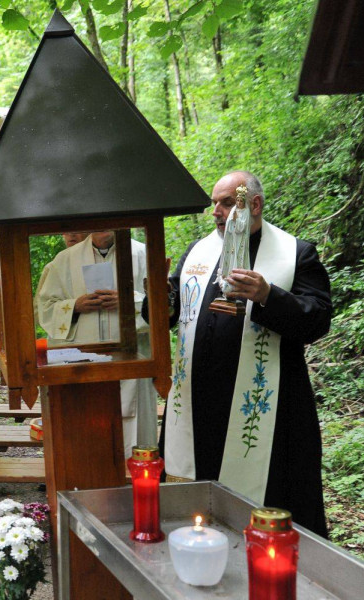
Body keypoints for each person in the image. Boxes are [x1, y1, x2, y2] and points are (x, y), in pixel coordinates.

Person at [157, 170, 332, 536]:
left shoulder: (296, 253)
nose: (216, 212)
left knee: (269, 498)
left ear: (255, 205)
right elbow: (170, 312)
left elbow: (317, 319)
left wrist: (269, 294)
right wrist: (156, 296)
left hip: (269, 408)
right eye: (214, 204)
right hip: (198, 405)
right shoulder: (197, 253)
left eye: (225, 202)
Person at [35, 230, 153, 458]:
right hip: (84, 359)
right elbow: (46, 307)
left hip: (132, 358)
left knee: (133, 430)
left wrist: (129, 300)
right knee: (87, 427)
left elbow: (161, 302)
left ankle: (133, 484)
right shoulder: (66, 259)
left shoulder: (142, 253)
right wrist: (75, 306)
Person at [217, 185, 252, 296]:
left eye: (241, 200)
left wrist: (236, 220)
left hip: (240, 241)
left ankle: (234, 282)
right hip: (231, 239)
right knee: (230, 259)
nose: (239, 202)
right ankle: (226, 278)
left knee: (237, 259)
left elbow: (242, 228)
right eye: (237, 200)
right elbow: (229, 225)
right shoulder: (234, 211)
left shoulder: (245, 212)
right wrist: (232, 220)